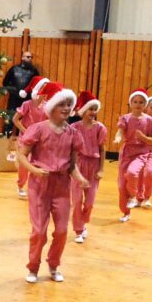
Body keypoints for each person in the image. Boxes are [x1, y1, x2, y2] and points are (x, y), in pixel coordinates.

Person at [16, 82, 88, 283]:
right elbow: (21, 155)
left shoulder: (73, 134)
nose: (66, 108)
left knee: (62, 230)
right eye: (61, 104)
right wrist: (34, 170)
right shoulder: (38, 129)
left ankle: (54, 264)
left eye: (69, 104)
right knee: (39, 231)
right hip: (39, 186)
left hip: (61, 186)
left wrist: (80, 179)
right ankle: (33, 266)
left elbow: (72, 165)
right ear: (52, 107)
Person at [69, 91, 106, 244]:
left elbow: (102, 149)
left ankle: (83, 223)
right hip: (78, 165)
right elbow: (70, 149)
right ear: (83, 110)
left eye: (95, 109)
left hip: (93, 166)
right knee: (77, 200)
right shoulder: (74, 127)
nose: (93, 112)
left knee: (89, 202)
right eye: (90, 109)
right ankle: (78, 229)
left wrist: (101, 169)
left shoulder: (100, 128)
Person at [115, 89, 152, 223]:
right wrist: (118, 138)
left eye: (141, 102)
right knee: (122, 185)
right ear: (131, 103)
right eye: (135, 102)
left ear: (145, 104)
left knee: (132, 173)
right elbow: (120, 131)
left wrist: (142, 137)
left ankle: (133, 195)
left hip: (141, 153)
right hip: (126, 153)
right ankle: (125, 212)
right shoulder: (125, 118)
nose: (138, 104)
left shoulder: (149, 120)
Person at [12, 76, 50, 199]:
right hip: (25, 139)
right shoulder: (27, 104)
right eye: (43, 89)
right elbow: (15, 119)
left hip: (39, 140)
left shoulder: (47, 106)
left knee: (38, 164)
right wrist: (26, 131)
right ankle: (21, 185)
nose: (46, 92)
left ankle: (36, 188)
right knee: (24, 164)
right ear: (37, 90)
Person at [2, 49, 38, 118]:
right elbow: (5, 83)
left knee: (25, 120)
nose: (30, 58)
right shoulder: (14, 69)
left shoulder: (34, 71)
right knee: (10, 119)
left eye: (31, 57)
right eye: (28, 57)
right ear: (22, 58)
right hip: (13, 100)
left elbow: (37, 85)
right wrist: (13, 92)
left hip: (27, 100)